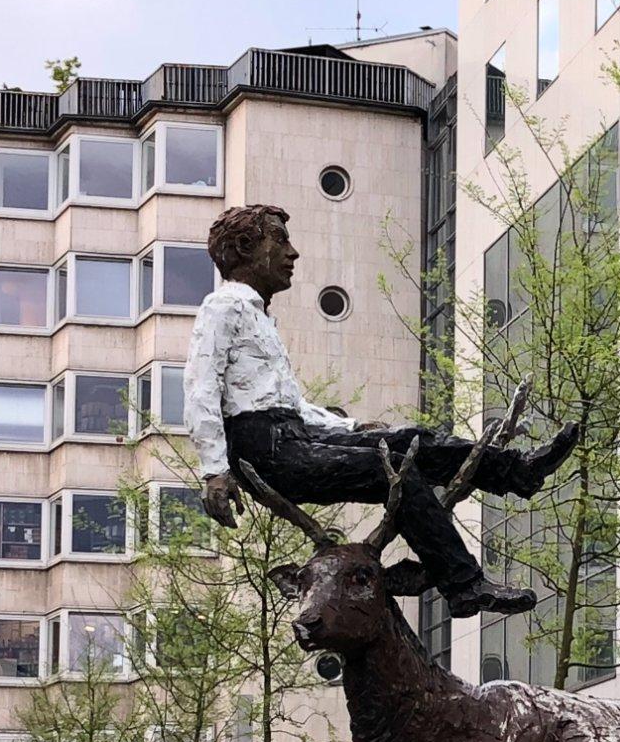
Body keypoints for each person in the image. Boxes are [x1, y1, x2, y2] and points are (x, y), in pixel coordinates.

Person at [186, 202, 579, 618]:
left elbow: (290, 405)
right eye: (280, 240)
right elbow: (199, 386)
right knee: (393, 469)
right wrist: (214, 470)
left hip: (292, 435)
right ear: (246, 248)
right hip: (266, 451)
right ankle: (464, 585)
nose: (293, 252)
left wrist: (353, 426)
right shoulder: (222, 307)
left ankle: (516, 472)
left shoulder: (261, 319)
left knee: (410, 440)